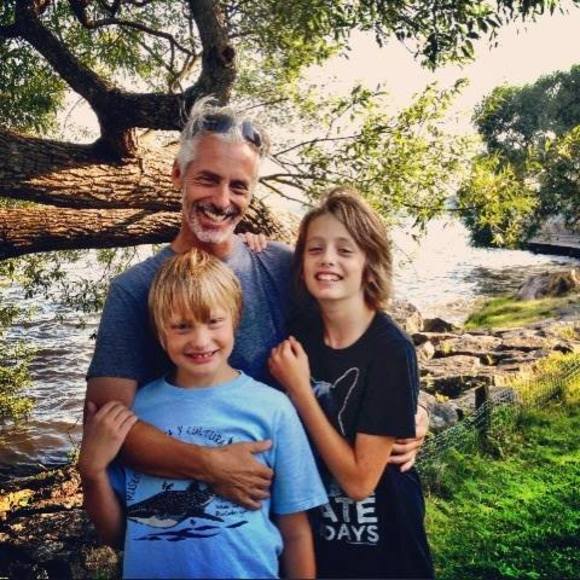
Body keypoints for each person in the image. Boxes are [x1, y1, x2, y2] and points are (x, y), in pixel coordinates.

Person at [85, 96, 428, 510]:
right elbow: (105, 426)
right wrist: (210, 465)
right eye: (208, 179)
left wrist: (406, 411)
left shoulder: (281, 265)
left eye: (238, 186)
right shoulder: (134, 289)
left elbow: (359, 341)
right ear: (178, 174)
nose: (222, 200)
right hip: (198, 519)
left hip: (294, 512)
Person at [79, 248, 327, 579]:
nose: (200, 340)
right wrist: (92, 472)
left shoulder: (274, 409)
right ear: (160, 332)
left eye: (213, 322)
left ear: (235, 318)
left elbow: (295, 531)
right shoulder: (133, 414)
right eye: (181, 326)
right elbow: (116, 534)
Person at [269, 188, 434, 579]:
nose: (327, 259)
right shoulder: (299, 335)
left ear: (369, 264)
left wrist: (301, 391)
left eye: (345, 250)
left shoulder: (390, 349)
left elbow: (360, 482)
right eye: (315, 249)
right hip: (323, 540)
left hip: (386, 547)